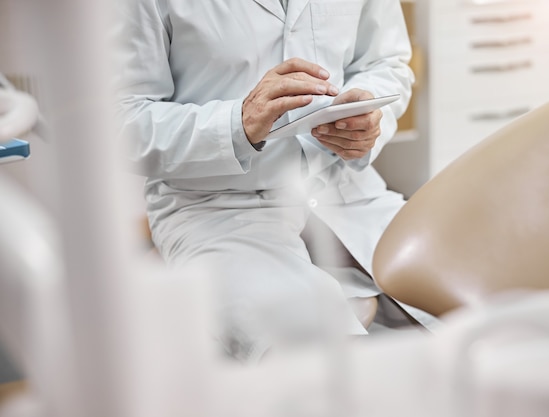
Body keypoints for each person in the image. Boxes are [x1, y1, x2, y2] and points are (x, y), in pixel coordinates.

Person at [113, 0, 414, 361]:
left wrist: (367, 117)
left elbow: (385, 62)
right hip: (217, 206)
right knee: (320, 366)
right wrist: (235, 123)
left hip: (346, 190)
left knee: (476, 308)